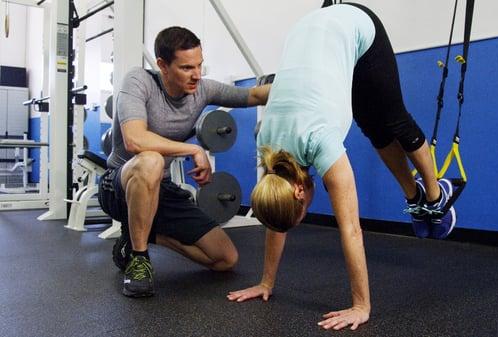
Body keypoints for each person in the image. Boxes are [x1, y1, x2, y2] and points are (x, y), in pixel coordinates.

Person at [227, 3, 457, 331]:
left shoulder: (321, 141)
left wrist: (361, 305)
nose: (307, 210)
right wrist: (266, 283)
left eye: (302, 211)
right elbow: (277, 217)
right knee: (373, 129)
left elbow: (350, 230)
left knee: (395, 120)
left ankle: (435, 197)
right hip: (309, 32)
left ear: (297, 189)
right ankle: (413, 198)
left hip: (354, 24)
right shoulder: (269, 147)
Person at [98, 26, 270, 298]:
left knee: (225, 259)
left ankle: (138, 238)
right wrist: (192, 150)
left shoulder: (201, 89)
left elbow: (254, 96)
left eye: (200, 65)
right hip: (118, 185)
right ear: (163, 66)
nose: (197, 75)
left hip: (161, 189)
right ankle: (140, 260)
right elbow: (135, 140)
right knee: (151, 160)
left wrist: (298, 84)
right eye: (187, 67)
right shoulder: (138, 81)